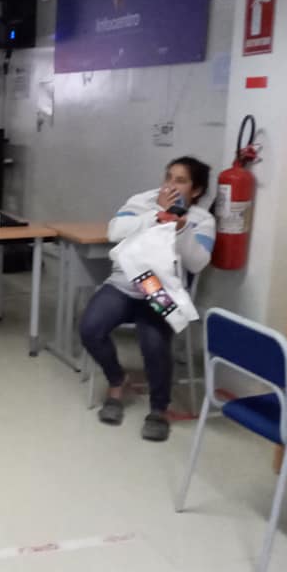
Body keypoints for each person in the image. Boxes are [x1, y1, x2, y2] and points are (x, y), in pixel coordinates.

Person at [79, 157, 215, 442]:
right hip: (125, 282)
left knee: (154, 342)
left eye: (180, 181)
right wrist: (157, 214)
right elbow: (114, 231)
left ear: (197, 190)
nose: (171, 185)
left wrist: (180, 229)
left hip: (160, 290)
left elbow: (197, 263)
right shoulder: (142, 202)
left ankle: (158, 409)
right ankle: (117, 381)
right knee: (90, 328)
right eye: (168, 178)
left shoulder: (202, 220)